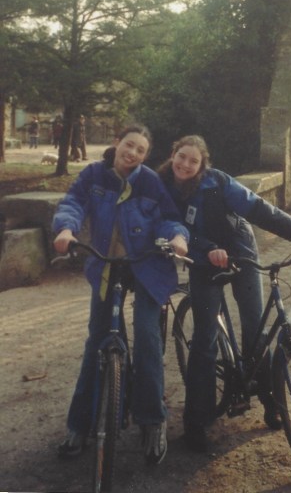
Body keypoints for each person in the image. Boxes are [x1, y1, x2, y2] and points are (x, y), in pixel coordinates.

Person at [158, 135, 291, 452]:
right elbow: (170, 226)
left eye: (193, 161)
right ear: (173, 154)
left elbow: (257, 207)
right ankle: (197, 423)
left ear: (202, 164)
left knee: (255, 329)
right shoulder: (163, 186)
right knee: (205, 340)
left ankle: (271, 402)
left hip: (240, 249)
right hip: (201, 258)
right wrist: (207, 249)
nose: (185, 165)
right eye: (182, 157)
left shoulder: (218, 182)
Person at [53, 125, 189, 465]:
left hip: (146, 266)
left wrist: (177, 238)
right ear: (117, 144)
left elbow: (170, 218)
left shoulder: (149, 182)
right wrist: (66, 229)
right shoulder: (94, 174)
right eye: (129, 145)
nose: (133, 154)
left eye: (141, 150)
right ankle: (79, 425)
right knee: (97, 340)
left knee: (147, 338)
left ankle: (152, 421)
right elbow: (73, 201)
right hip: (107, 264)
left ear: (145, 156)